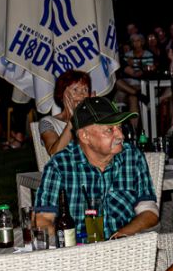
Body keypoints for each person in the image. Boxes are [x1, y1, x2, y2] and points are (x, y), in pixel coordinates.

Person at [33, 97, 158, 239]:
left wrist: (122, 235)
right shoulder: (60, 166)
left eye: (120, 127)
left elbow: (149, 211)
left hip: (125, 247)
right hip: (79, 250)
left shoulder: (132, 156)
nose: (121, 135)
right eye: (110, 130)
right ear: (85, 136)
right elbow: (43, 219)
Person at [38, 69, 93, 159]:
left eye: (85, 89)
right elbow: (56, 154)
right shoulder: (47, 122)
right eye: (75, 89)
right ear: (62, 94)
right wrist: (72, 120)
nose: (82, 95)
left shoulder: (93, 119)